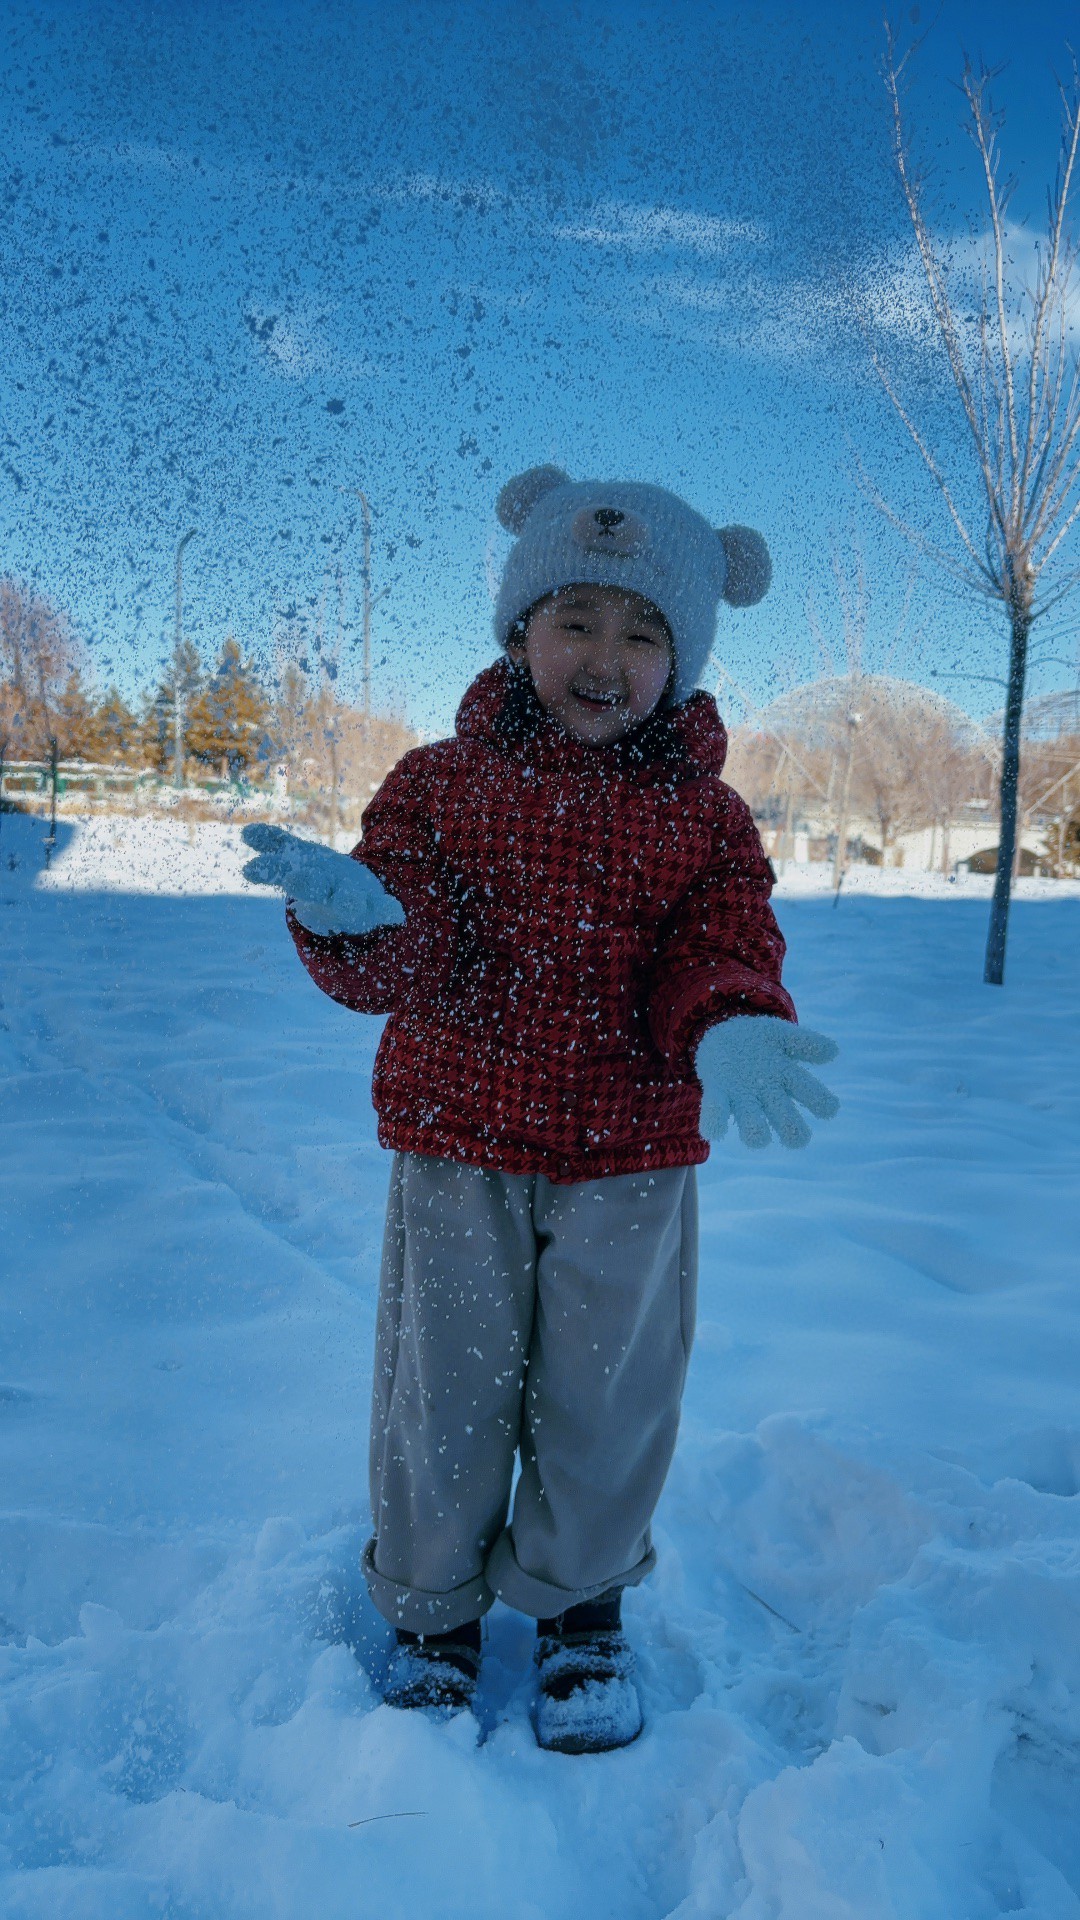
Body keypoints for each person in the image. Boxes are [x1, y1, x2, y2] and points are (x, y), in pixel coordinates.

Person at [242, 467, 839, 1754]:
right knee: (442, 1386)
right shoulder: (439, 785)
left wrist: (732, 1020)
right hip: (460, 1137)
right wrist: (361, 923)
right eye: (578, 621)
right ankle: (434, 1614)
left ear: (682, 660)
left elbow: (722, 943)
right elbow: (413, 946)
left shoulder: (707, 817)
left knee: (609, 1396)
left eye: (643, 632)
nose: (606, 658)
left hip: (631, 1154)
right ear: (521, 633)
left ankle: (580, 1611)